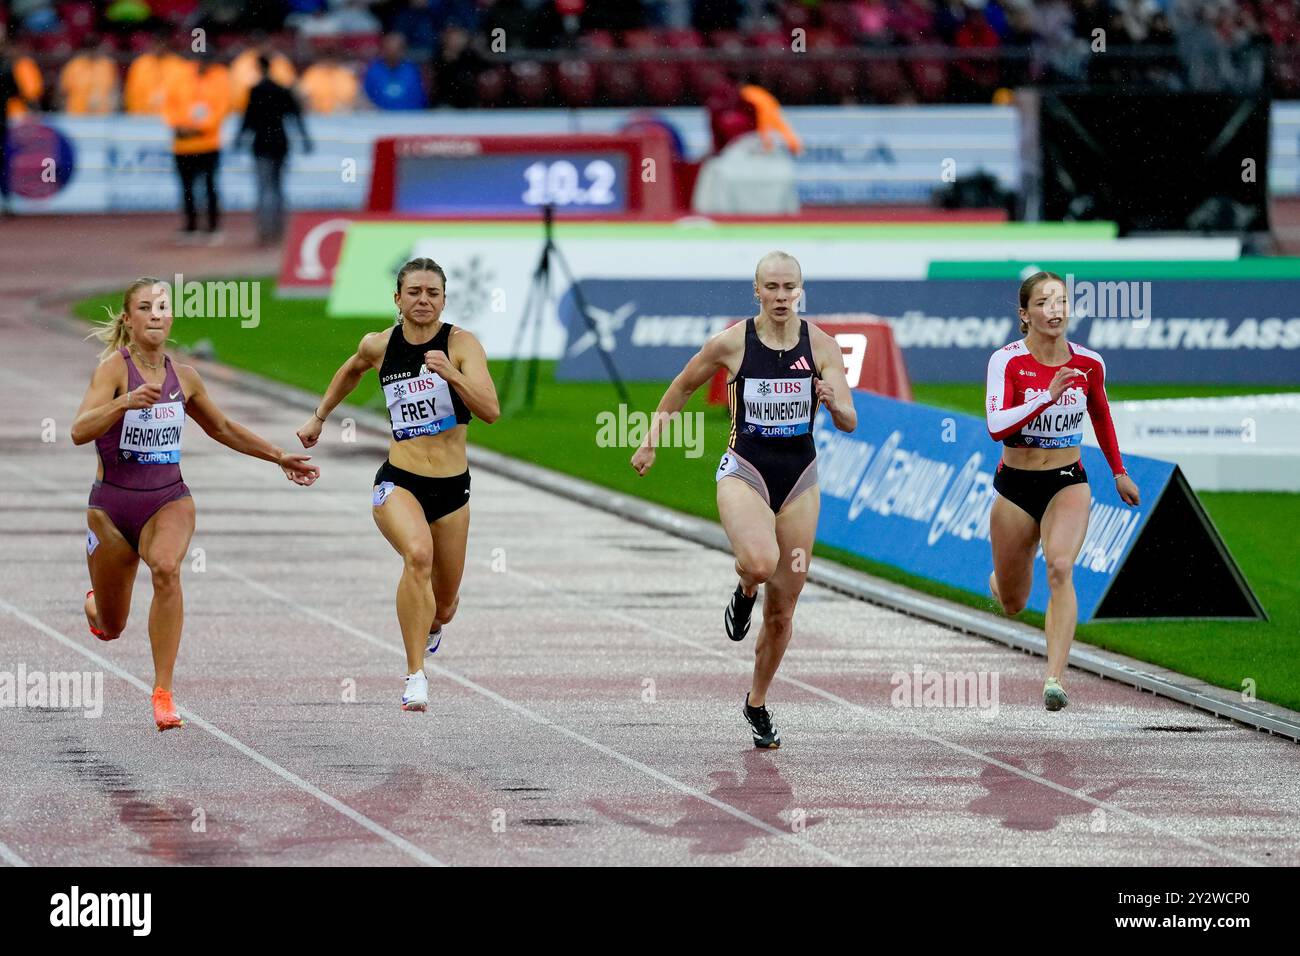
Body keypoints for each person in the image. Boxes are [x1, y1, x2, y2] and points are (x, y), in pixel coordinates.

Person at [631, 252, 857, 748]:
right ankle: (743, 590)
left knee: (784, 611)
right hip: (745, 471)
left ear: (800, 289)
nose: (780, 297)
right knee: (758, 562)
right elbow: (682, 385)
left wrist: (834, 401)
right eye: (771, 287)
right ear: (756, 290)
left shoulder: (821, 346)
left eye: (789, 287)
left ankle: (756, 703)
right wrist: (651, 439)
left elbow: (849, 419)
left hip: (799, 480)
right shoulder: (733, 342)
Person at [72, 278, 320, 731]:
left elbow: (222, 427)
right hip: (110, 510)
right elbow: (78, 430)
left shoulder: (184, 378)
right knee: (111, 627)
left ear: (170, 317)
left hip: (169, 499)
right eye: (144, 308)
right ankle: (95, 607)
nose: (154, 315)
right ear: (128, 319)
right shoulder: (113, 370)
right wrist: (124, 402)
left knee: (166, 568)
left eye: (161, 307)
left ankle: (163, 692)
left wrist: (278, 455)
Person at [296, 258, 500, 712]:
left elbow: (490, 410)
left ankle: (432, 626)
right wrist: (319, 416)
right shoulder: (379, 344)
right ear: (398, 299)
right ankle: (415, 676)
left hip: (452, 490)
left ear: (444, 299)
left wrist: (452, 374)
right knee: (417, 555)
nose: (423, 300)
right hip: (399, 480)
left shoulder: (462, 345)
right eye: (414, 292)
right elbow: (351, 369)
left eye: (432, 293)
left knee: (444, 606)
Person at [984, 271, 1140, 711]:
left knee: (1059, 567)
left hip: (1067, 480)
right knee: (1014, 602)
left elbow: (1101, 415)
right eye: (1044, 302)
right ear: (1025, 314)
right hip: (1015, 486)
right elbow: (997, 427)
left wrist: (1118, 472)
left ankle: (1054, 677)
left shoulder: (1089, 363)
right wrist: (1046, 397)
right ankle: (1001, 581)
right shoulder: (1007, 361)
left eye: (1061, 301)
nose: (1054, 310)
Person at [236, 53, 313, 245]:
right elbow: (296, 117)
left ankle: (265, 230)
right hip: (280, 143)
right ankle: (279, 230)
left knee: (264, 189)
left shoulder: (255, 91)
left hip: (261, 144)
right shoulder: (282, 89)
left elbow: (248, 119)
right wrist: (305, 139)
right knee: (278, 189)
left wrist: (239, 139)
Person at [164, 50, 230, 243]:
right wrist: (179, 125)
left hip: (208, 143)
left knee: (210, 186)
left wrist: (199, 128)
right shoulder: (180, 75)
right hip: (183, 144)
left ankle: (212, 227)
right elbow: (169, 104)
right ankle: (191, 226)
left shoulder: (220, 76)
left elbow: (222, 107)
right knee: (187, 188)